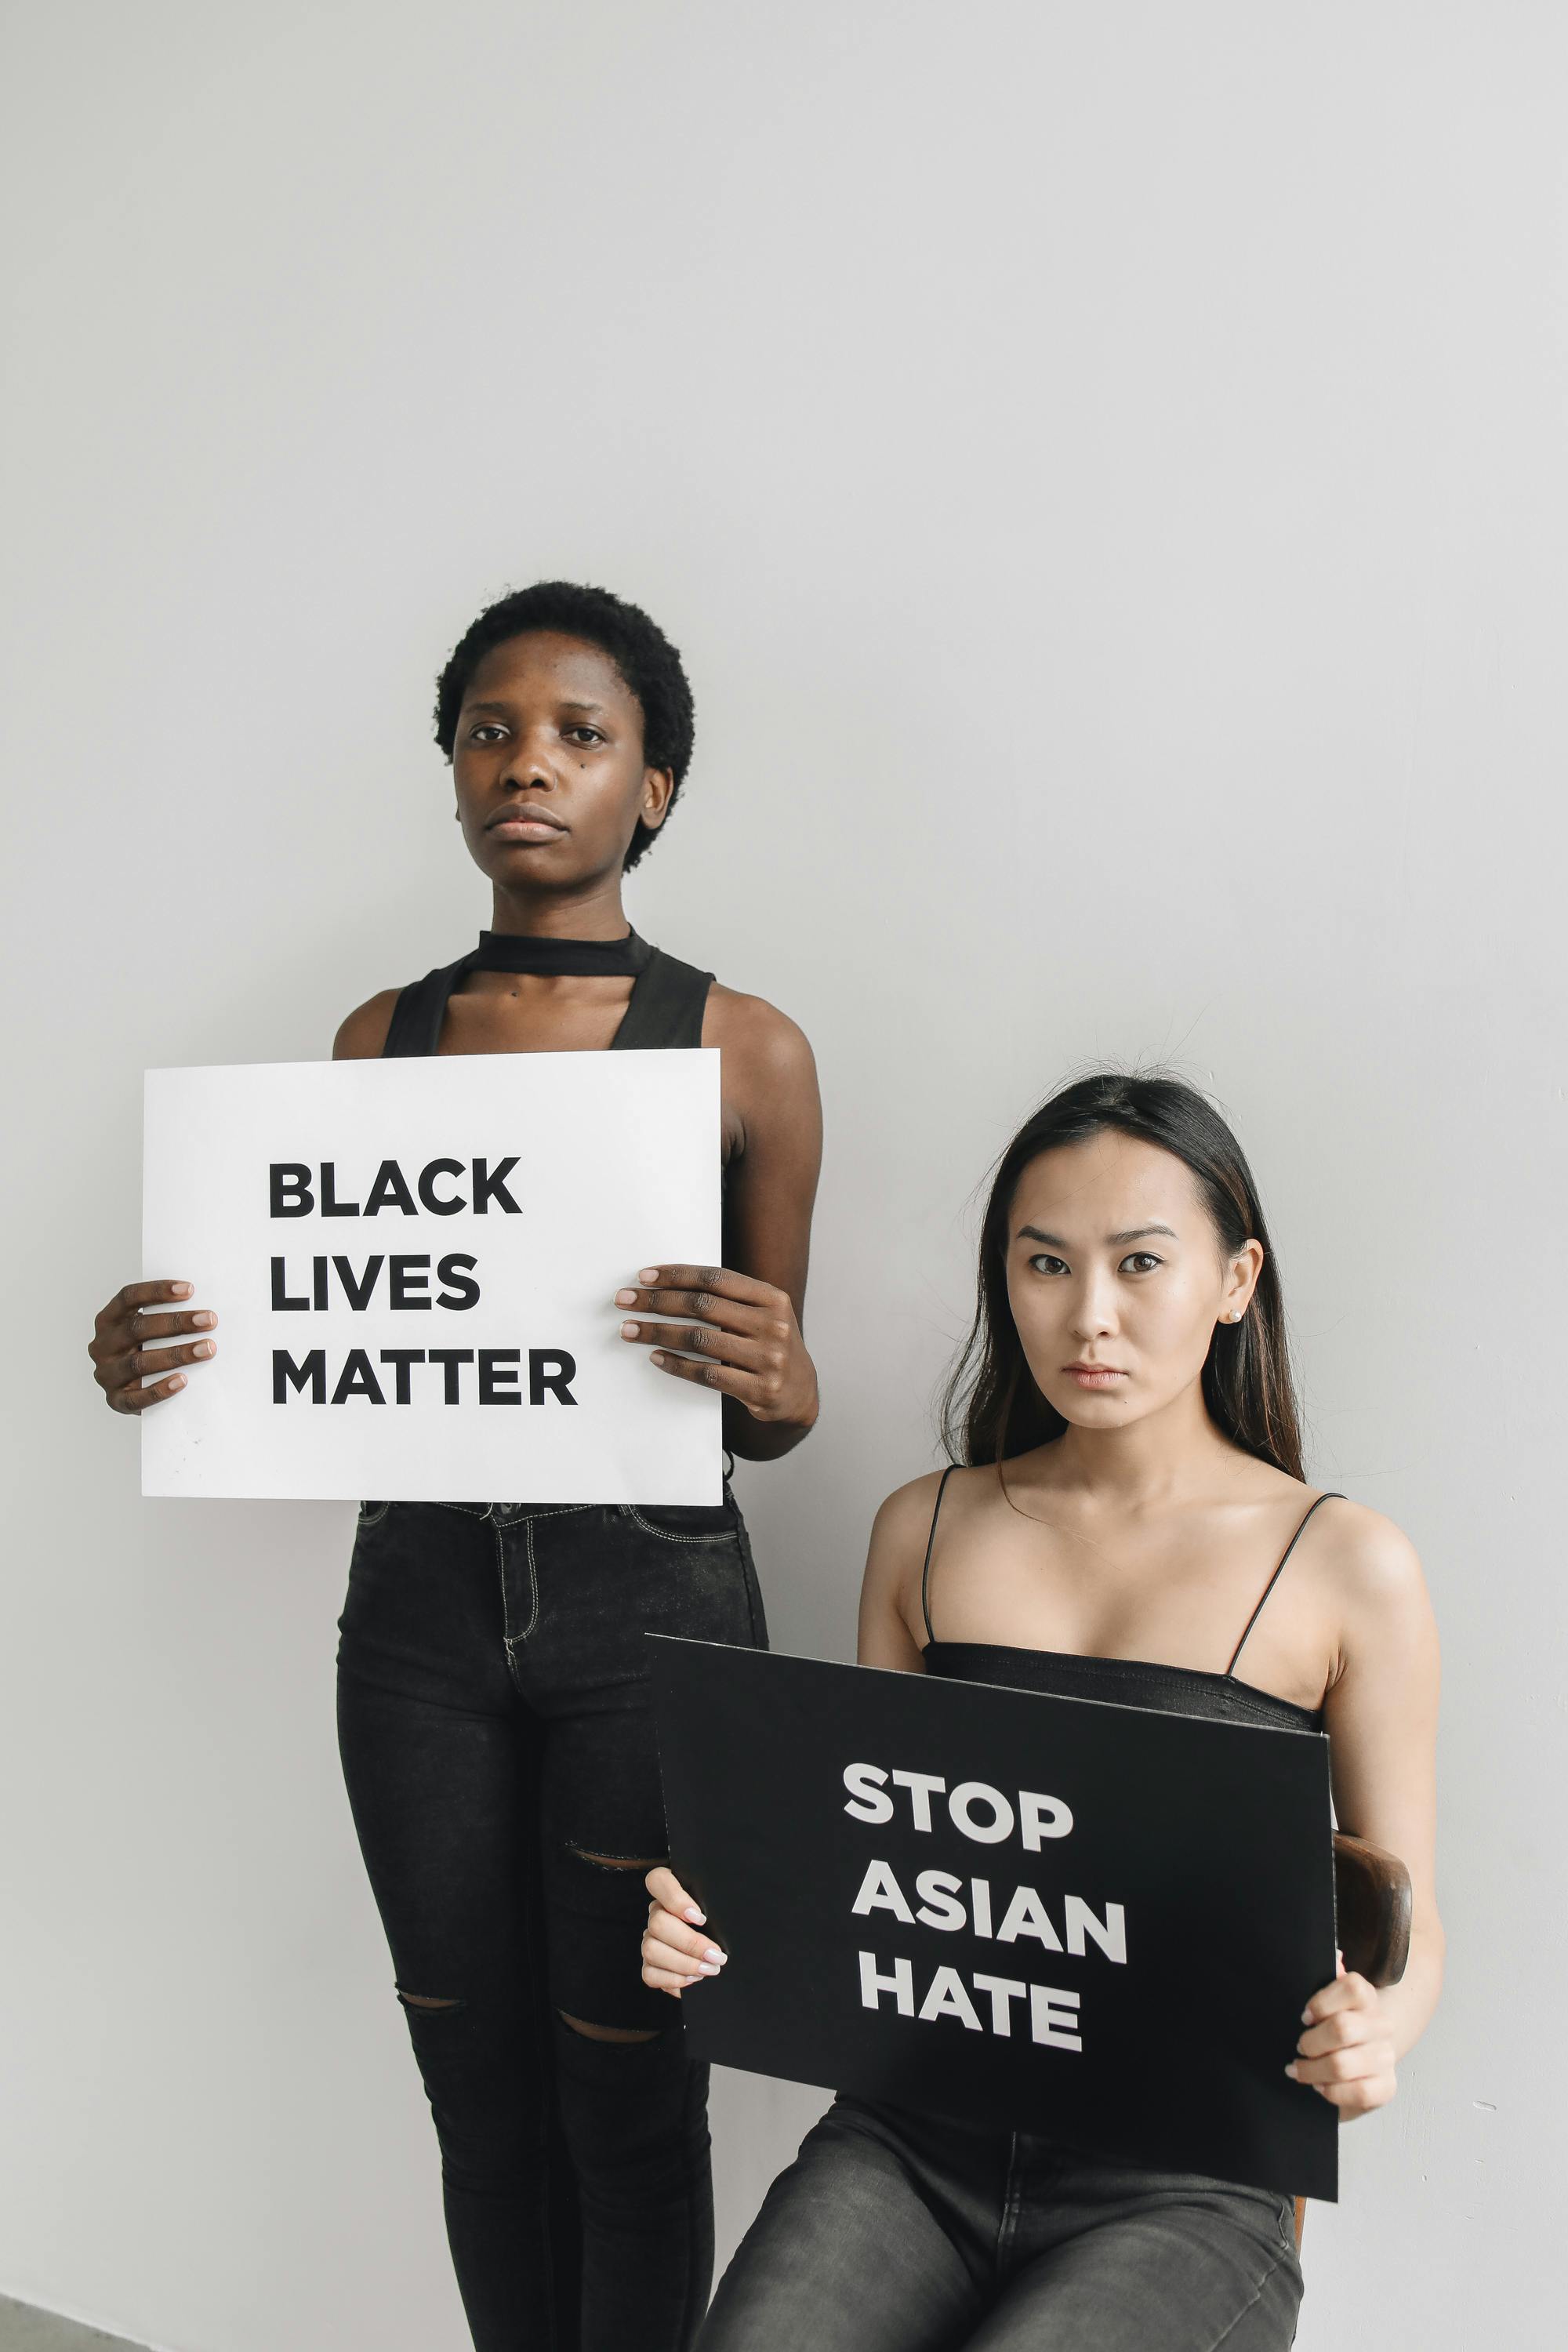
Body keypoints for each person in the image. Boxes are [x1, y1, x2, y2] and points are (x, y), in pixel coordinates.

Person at [88, 580, 823, 2352]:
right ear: (449, 772)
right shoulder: (378, 1043)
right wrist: (162, 1364)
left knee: (631, 2090)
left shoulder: (748, 1051)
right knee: (473, 2081)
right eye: (490, 729)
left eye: (583, 734)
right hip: (414, 1606)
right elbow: (328, 1333)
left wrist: (783, 1376)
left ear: (653, 788)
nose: (530, 763)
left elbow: (768, 1404)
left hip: (650, 1599)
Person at [644, 1072, 1441, 2352]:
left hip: (1185, 2180)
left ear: (1235, 1280)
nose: (1091, 1317)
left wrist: (1376, 2031)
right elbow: (871, 1865)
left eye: (1140, 1263)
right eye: (1045, 1265)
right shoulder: (925, 1527)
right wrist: (713, 1918)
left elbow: (1410, 1922)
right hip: (911, 2139)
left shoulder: (1348, 1565)